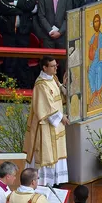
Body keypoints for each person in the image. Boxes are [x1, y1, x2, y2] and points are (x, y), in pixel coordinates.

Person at [24, 56, 70, 187]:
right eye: (53, 66)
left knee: (57, 152)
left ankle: (56, 180)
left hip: (56, 125)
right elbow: (45, 107)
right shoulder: (41, 84)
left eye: (56, 65)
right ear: (44, 68)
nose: (56, 68)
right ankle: (45, 181)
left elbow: (59, 98)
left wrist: (64, 85)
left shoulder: (53, 79)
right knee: (47, 153)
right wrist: (61, 117)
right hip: (46, 125)